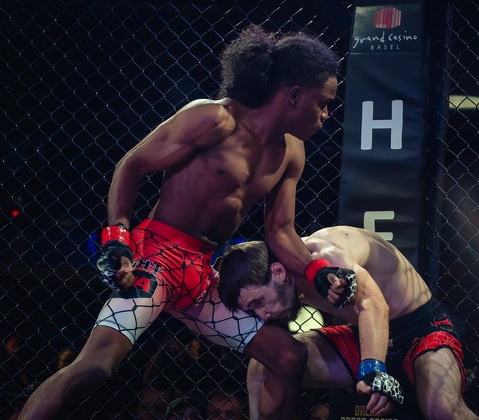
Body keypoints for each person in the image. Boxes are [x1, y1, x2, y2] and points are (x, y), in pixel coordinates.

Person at [17, 24, 354, 419]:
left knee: (288, 356)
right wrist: (117, 237)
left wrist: (316, 271)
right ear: (294, 95)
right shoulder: (215, 118)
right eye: (323, 103)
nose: (326, 115)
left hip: (201, 275)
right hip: (155, 260)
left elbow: (280, 231)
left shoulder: (291, 153)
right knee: (94, 367)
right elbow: (133, 164)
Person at [218, 226, 479, 419]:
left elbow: (373, 304)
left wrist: (373, 370)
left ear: (278, 272)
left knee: (442, 409)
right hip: (363, 337)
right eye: (253, 309)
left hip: (421, 330)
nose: (263, 314)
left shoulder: (325, 254)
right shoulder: (281, 282)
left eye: (259, 302)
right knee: (263, 365)